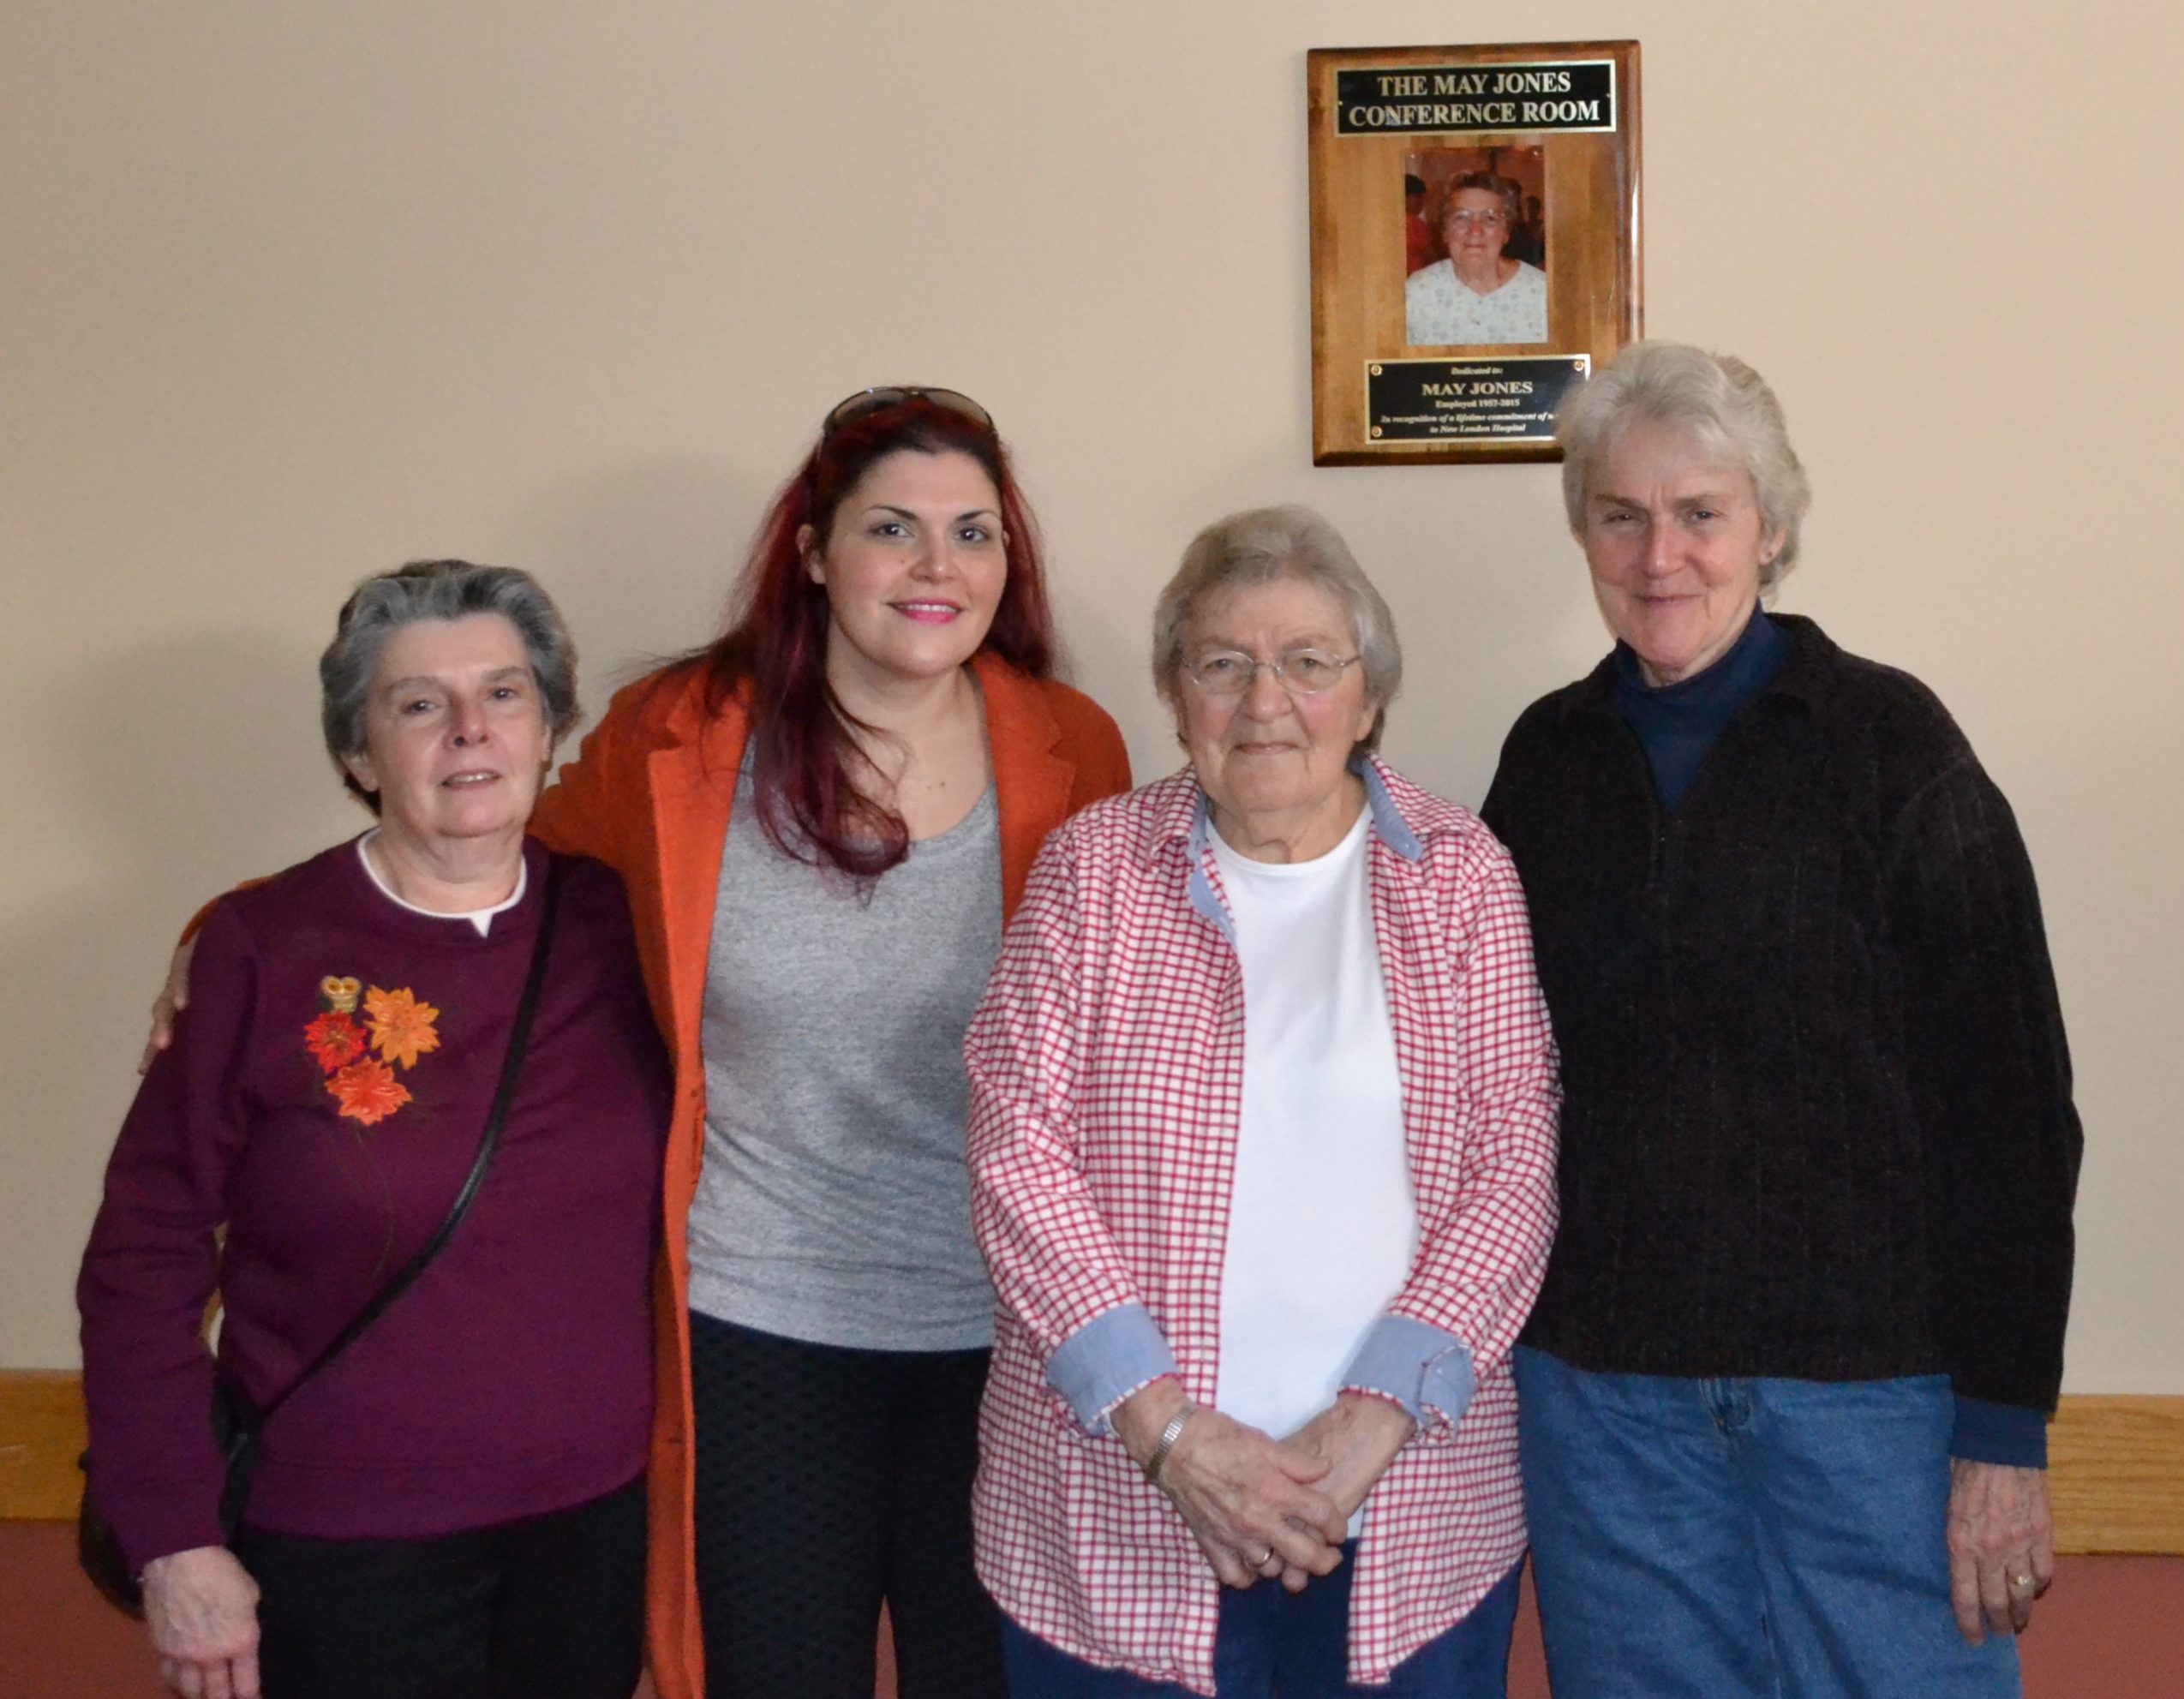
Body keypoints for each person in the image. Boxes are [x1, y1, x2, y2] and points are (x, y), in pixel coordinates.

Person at [140, 391, 1132, 1699]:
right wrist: (228, 930)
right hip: (758, 1331)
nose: (938, 566)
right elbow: (482, 866)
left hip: (1011, 1334)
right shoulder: (683, 735)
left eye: (974, 531)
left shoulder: (1076, 750)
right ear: (815, 552)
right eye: (893, 526)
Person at [1479, 341, 2082, 1697]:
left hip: (1876, 1411)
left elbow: (2015, 1107)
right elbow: (1491, 1079)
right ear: (1584, 531)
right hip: (1607, 1407)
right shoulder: (1544, 763)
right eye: (1622, 515)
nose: (1660, 554)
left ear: (1774, 527)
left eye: (1703, 512)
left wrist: (2003, 1426)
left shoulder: (1892, 745)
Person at [963, 506, 1561, 1696]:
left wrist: (1369, 1424)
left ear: (1371, 694)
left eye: (1306, 662)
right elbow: (1013, 1143)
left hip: (1406, 1504)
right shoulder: (1092, 870)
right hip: (1122, 1509)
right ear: (1176, 696)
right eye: (1222, 663)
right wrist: (1172, 1433)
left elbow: (1514, 1162)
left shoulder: (1462, 873)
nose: (1263, 699)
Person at [81, 560, 672, 1699]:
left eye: (505, 694)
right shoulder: (262, 949)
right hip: (340, 1544)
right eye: (418, 704)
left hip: (589, 1530)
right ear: (358, 752)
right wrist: (174, 1538)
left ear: (551, 728)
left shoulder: (623, 924)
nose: (469, 731)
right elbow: (139, 1260)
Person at [1404, 173, 1547, 347]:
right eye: (1461, 217)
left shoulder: (1542, 293)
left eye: (1489, 218)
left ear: (1506, 232)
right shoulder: (1417, 292)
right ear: (1445, 232)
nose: (1475, 230)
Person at [1402, 173, 1443, 277]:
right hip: (1416, 277)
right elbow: (1431, 256)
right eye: (1417, 196)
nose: (1422, 202)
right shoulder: (1413, 222)